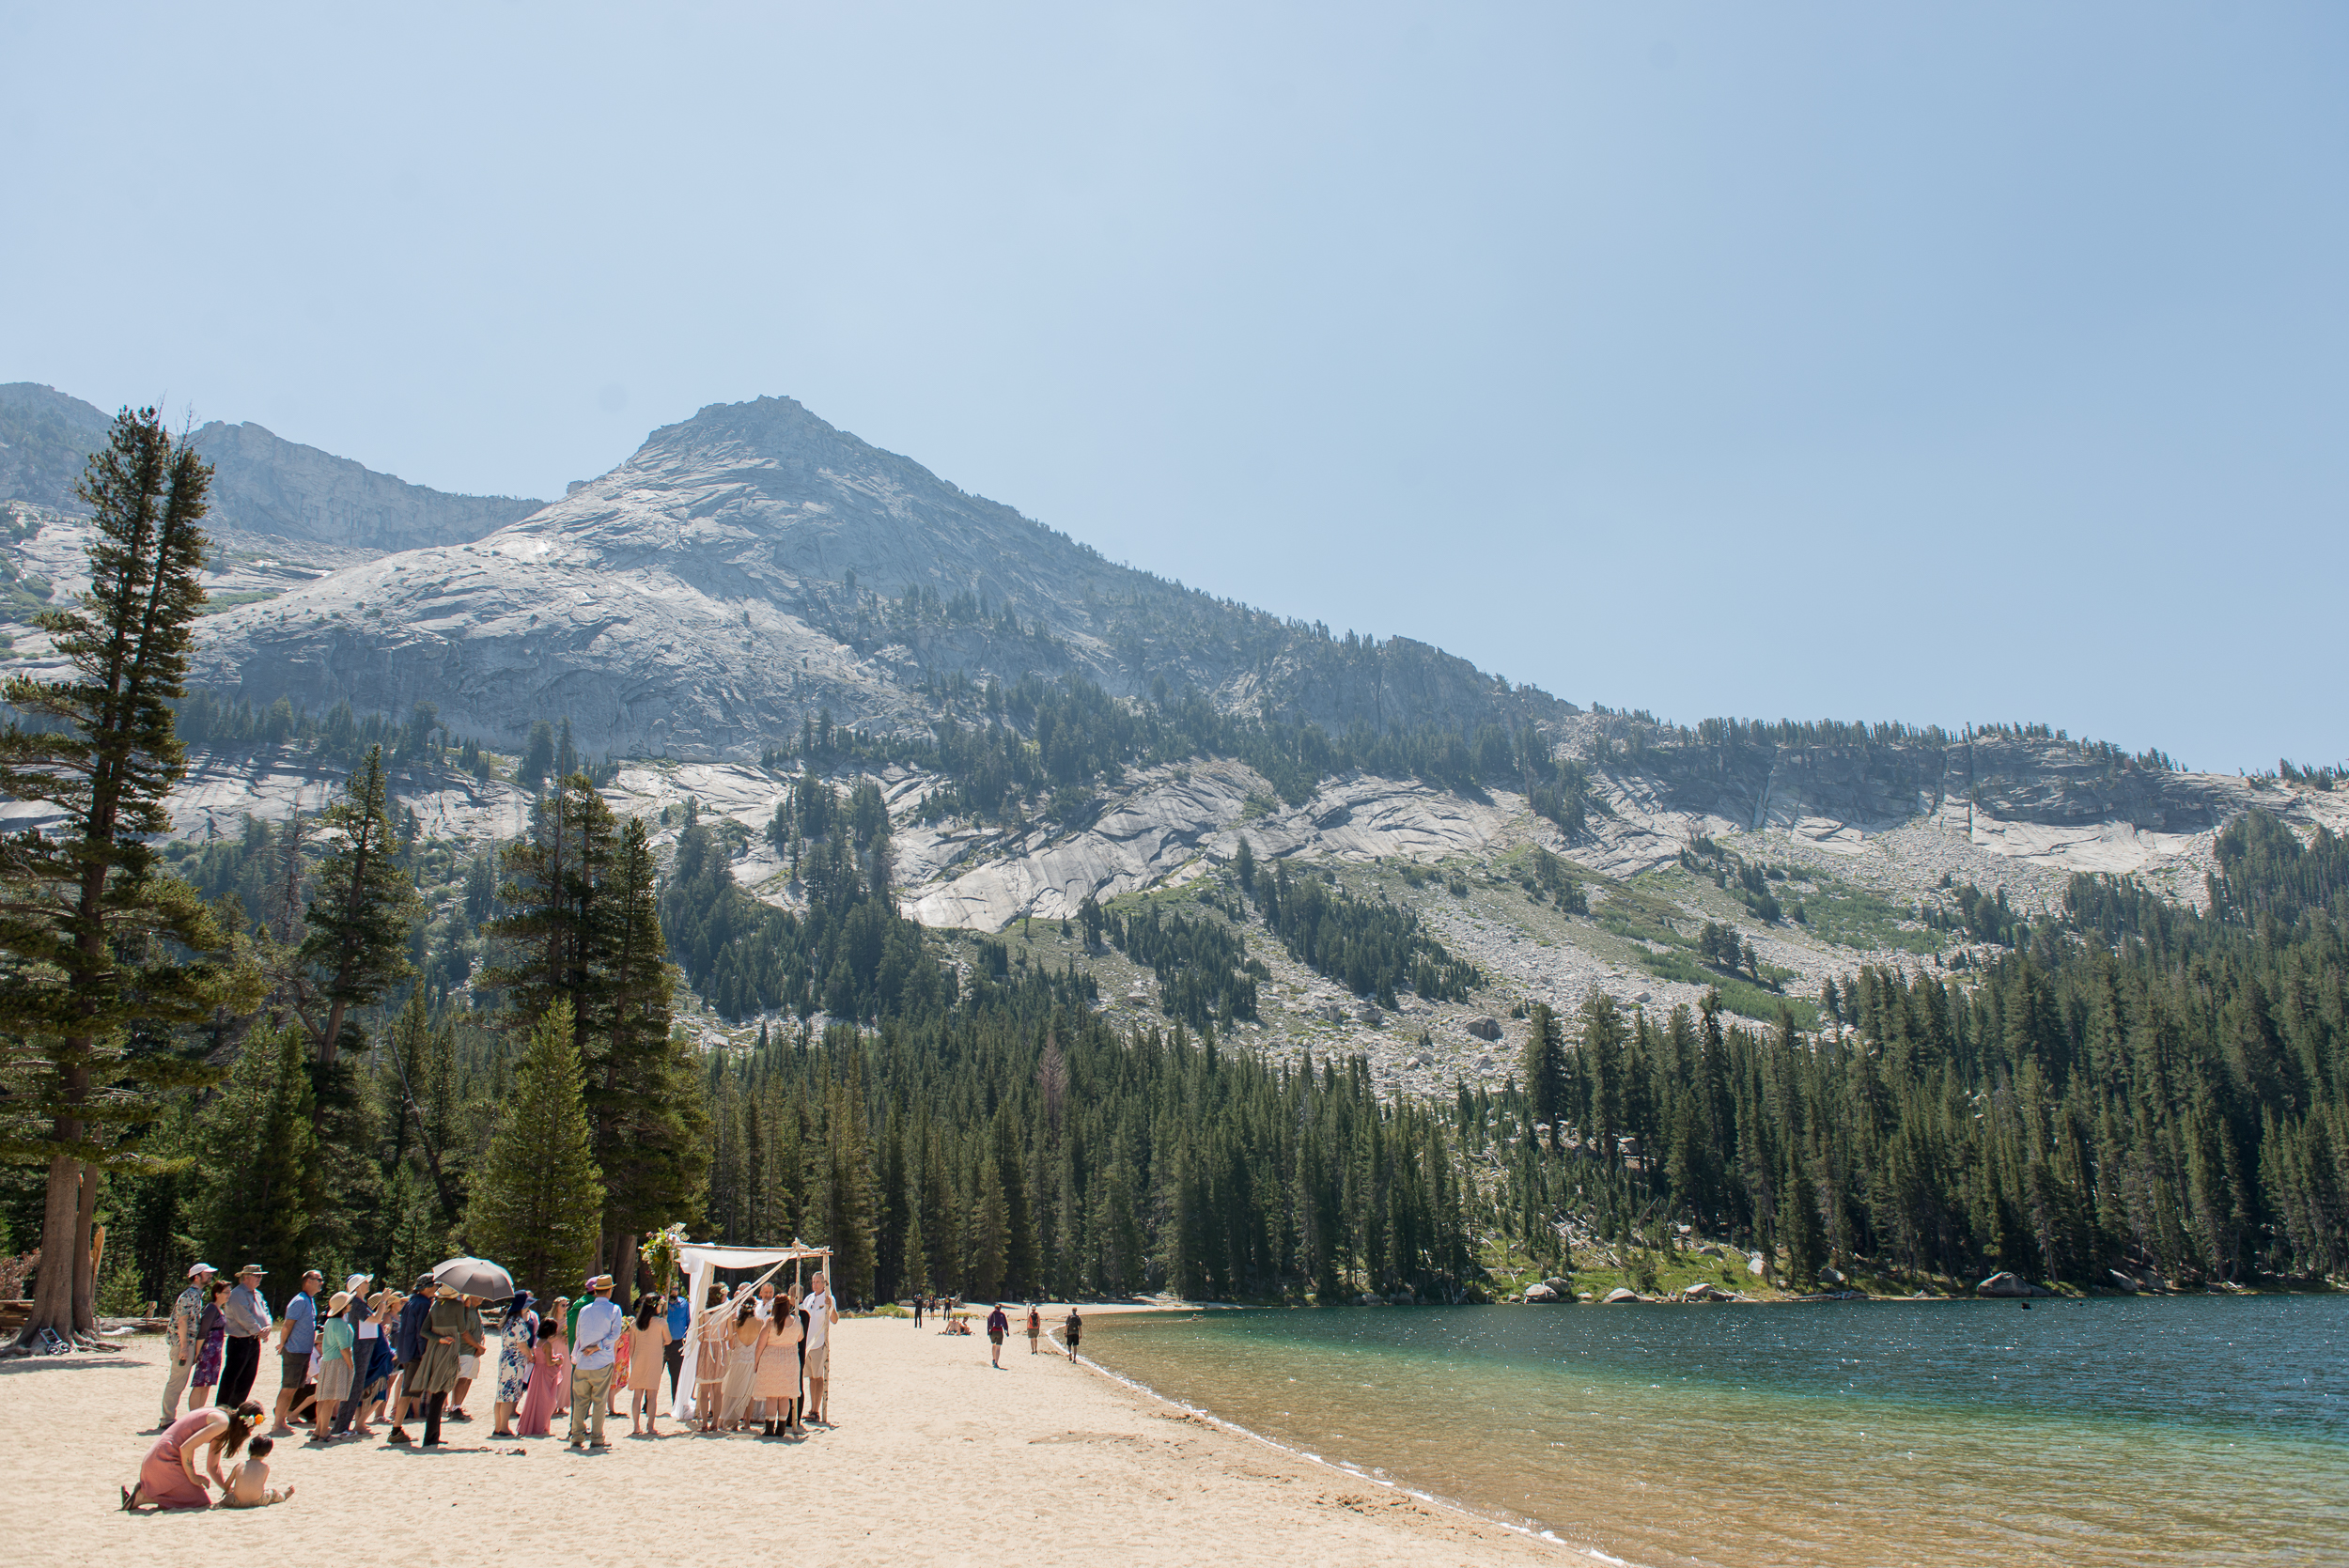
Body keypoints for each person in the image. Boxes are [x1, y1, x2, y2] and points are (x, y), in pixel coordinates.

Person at [122, 1399, 263, 1512]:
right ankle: (143, 1496)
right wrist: (193, 1476)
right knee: (198, 1502)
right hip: (164, 1457)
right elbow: (185, 1448)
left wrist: (226, 1488)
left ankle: (144, 1495)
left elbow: (213, 1466)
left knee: (197, 1500)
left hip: (160, 1454)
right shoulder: (222, 1422)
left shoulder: (223, 1418)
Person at [407, 1284, 467, 1447]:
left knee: (437, 1394)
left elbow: (424, 1331)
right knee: (440, 1393)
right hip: (449, 1350)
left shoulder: (435, 1305)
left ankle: (433, 1435)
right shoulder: (457, 1305)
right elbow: (462, 1328)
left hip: (435, 1350)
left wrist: (439, 1338)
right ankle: (431, 1437)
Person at [569, 1274, 625, 1450]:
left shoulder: (584, 1310)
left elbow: (579, 1334)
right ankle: (596, 1437)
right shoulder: (614, 1310)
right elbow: (615, 1334)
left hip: (583, 1361)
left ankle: (577, 1436)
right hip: (602, 1361)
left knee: (580, 1400)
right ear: (609, 1291)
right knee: (599, 1400)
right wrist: (598, 1346)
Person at [159, 1262, 215, 1430]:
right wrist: (184, 1347)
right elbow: (182, 1321)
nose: (210, 1276)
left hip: (187, 1343)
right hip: (183, 1344)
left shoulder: (197, 1295)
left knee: (179, 1381)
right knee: (177, 1381)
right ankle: (167, 1419)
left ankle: (168, 1417)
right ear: (197, 1277)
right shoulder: (189, 1295)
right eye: (207, 1274)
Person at [384, 1273, 437, 1442]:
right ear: (428, 1287)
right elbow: (421, 1331)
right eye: (434, 1285)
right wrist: (425, 1353)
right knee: (407, 1392)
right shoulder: (422, 1303)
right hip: (415, 1352)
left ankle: (396, 1428)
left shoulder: (411, 1301)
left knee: (407, 1390)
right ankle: (396, 1430)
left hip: (405, 1351)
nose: (436, 1289)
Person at [272, 1268, 322, 1435]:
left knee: (294, 1388)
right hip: (294, 1351)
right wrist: (282, 1345)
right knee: (287, 1387)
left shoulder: (310, 1300)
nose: (321, 1282)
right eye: (318, 1279)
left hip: (304, 1352)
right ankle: (277, 1422)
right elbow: (287, 1325)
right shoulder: (299, 1301)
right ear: (308, 1281)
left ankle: (283, 1420)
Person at [752, 1284, 801, 1436]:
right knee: (784, 1395)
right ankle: (781, 1428)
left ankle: (769, 1428)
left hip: (771, 1359)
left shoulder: (770, 1322)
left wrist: (756, 1362)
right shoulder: (796, 1321)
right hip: (789, 1359)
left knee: (771, 1396)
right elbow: (800, 1338)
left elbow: (760, 1345)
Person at [218, 1264, 270, 1408]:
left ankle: (236, 1411)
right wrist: (260, 1331)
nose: (259, 1279)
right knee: (232, 1378)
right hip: (239, 1342)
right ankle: (222, 1410)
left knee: (247, 1378)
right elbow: (244, 1317)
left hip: (253, 1342)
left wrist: (268, 1326)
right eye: (257, 1276)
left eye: (260, 1276)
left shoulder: (258, 1294)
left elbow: (266, 1311)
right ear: (246, 1277)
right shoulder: (237, 1294)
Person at [312, 1290, 357, 1442]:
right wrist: (351, 1366)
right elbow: (344, 1347)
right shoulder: (339, 1324)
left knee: (324, 1399)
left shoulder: (330, 1322)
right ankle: (324, 1431)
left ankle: (318, 1430)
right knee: (330, 1399)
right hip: (337, 1362)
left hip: (328, 1361)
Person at [493, 1290, 538, 1437]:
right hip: (515, 1360)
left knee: (501, 1394)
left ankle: (498, 1426)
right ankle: (504, 1427)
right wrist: (531, 1357)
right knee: (509, 1393)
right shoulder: (518, 1322)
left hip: (506, 1358)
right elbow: (522, 1345)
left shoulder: (508, 1320)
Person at [626, 1293, 671, 1436]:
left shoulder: (635, 1324)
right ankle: (650, 1426)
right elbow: (668, 1340)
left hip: (638, 1358)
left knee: (637, 1395)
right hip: (654, 1359)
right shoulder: (661, 1323)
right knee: (652, 1395)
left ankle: (636, 1426)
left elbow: (631, 1346)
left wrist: (632, 1361)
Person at [517, 1315, 567, 1437]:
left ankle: (535, 1425)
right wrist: (559, 1360)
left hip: (537, 1372)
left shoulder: (538, 1342)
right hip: (545, 1373)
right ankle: (541, 1426)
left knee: (536, 1399)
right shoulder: (547, 1345)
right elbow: (549, 1362)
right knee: (547, 1400)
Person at [718, 1293, 760, 1432]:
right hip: (752, 1361)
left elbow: (731, 1345)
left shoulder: (735, 1323)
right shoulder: (760, 1323)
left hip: (738, 1360)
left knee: (733, 1390)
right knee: (749, 1392)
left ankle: (732, 1421)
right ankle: (747, 1422)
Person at [692, 1283, 731, 1433]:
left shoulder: (703, 1314)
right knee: (717, 1390)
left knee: (704, 1389)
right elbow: (729, 1335)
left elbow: (700, 1338)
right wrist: (719, 1339)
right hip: (719, 1349)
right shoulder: (726, 1313)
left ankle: (703, 1423)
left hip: (706, 1350)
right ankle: (715, 1423)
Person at [803, 1270, 839, 1422]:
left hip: (819, 1343)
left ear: (824, 1284)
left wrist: (831, 1307)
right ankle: (811, 1409)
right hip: (807, 1344)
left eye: (818, 1282)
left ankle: (816, 1409)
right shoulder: (809, 1298)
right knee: (811, 1377)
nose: (815, 1285)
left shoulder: (828, 1299)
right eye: (813, 1282)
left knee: (818, 1378)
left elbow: (835, 1320)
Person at [189, 1280, 229, 1409]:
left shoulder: (221, 1309)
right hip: (207, 1351)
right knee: (199, 1384)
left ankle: (199, 1413)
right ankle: (193, 1415)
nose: (229, 1295)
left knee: (207, 1385)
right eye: (226, 1292)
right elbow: (203, 1332)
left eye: (230, 1292)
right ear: (217, 1293)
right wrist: (197, 1353)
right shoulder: (211, 1308)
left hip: (215, 1352)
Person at [222, 1435, 294, 1508]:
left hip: (237, 1502)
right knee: (272, 1493)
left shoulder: (240, 1465)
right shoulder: (265, 1467)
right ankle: (283, 1495)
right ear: (266, 1454)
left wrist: (229, 1490)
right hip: (258, 1501)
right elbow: (260, 1486)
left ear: (249, 1450)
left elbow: (226, 1485)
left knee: (228, 1497)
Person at [447, 1292, 487, 1422]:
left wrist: (480, 1345)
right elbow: (464, 1333)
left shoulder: (476, 1311)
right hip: (465, 1350)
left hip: (474, 1351)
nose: (481, 1297)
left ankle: (457, 1405)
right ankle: (455, 1407)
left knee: (468, 1378)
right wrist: (478, 1346)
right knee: (462, 1379)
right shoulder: (467, 1312)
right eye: (478, 1295)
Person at [662, 1290, 689, 1406]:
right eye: (672, 1287)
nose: (674, 1290)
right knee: (655, 1373)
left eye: (676, 1288)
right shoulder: (663, 1303)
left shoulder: (684, 1304)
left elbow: (688, 1321)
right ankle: (647, 1403)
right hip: (662, 1344)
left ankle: (676, 1403)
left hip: (678, 1343)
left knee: (676, 1375)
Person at [986, 1302, 1009, 1367]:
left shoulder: (992, 1314)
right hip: (1000, 1331)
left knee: (993, 1345)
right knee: (998, 1347)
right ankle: (996, 1363)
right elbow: (1005, 1324)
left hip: (993, 1331)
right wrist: (1007, 1331)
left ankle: (993, 1359)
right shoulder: (1002, 1314)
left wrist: (988, 1332)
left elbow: (989, 1322)